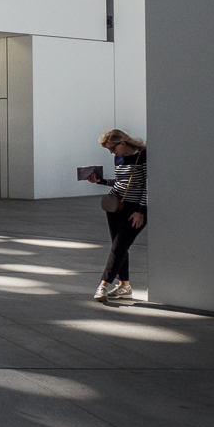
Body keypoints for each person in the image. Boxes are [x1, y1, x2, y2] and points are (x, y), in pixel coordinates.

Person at [87, 129, 147, 301]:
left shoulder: (142, 156)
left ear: (123, 143)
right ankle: (124, 286)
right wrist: (102, 181)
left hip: (134, 208)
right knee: (119, 246)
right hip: (115, 205)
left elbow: (147, 185)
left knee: (119, 247)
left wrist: (141, 211)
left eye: (112, 148)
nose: (111, 152)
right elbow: (120, 182)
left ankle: (103, 285)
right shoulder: (118, 158)